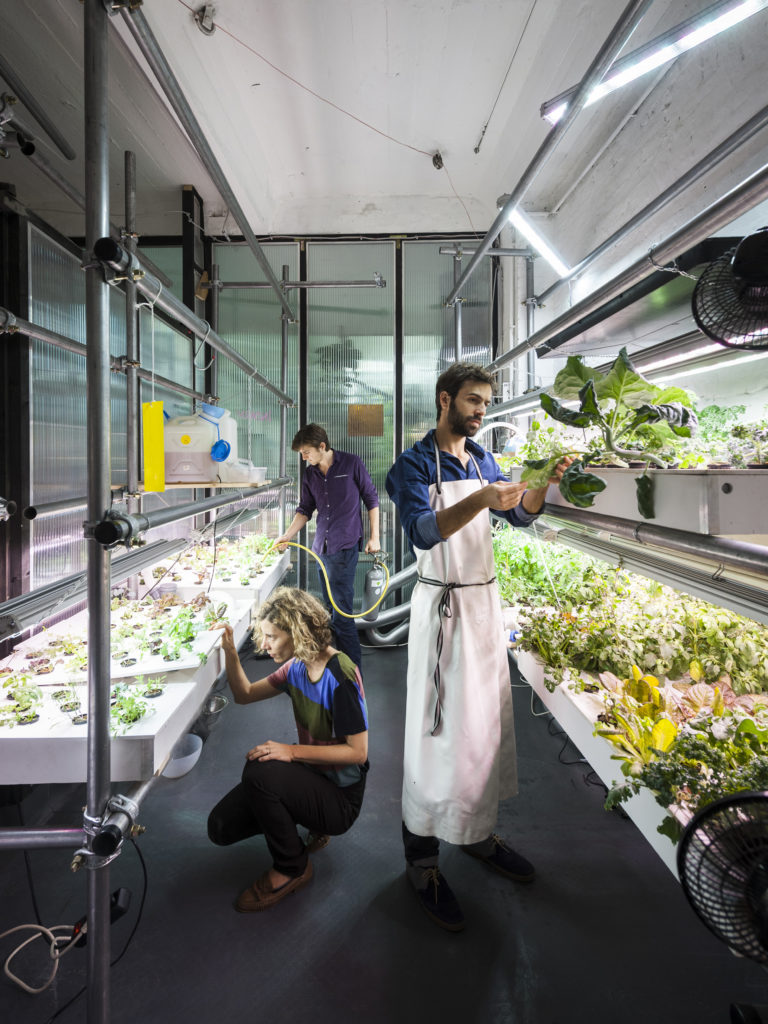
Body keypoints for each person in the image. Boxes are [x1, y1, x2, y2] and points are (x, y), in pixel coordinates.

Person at [385, 361, 571, 932]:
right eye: (472, 400)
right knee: (434, 733)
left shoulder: (484, 460)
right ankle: (422, 862)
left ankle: (477, 834)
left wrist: (543, 482)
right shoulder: (412, 465)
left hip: (483, 604)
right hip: (441, 608)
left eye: (486, 402)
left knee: (482, 728)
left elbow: (518, 517)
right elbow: (421, 530)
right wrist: (482, 500)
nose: (480, 411)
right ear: (445, 400)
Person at [207, 586, 369, 912]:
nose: (265, 645)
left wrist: (291, 752)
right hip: (313, 777)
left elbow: (357, 752)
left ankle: (293, 867)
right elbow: (245, 694)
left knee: (260, 772)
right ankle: (307, 822)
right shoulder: (296, 667)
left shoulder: (340, 674)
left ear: (297, 632)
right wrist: (230, 652)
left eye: (273, 637)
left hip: (341, 799)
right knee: (221, 827)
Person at [276, 424, 380, 666]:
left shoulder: (351, 463)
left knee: (342, 616)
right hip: (320, 549)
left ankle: (353, 678)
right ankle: (337, 667)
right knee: (331, 613)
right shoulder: (310, 474)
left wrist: (375, 537)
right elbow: (305, 509)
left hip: (345, 547)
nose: (303, 457)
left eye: (306, 452)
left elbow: (372, 499)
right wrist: (287, 535)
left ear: (322, 446)